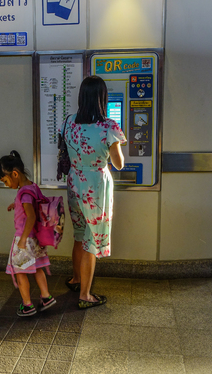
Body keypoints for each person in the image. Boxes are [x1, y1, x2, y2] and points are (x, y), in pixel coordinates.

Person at [61, 76, 126, 309]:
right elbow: (118, 164)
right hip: (95, 186)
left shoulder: (68, 122)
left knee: (79, 234)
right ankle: (85, 295)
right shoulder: (109, 127)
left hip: (74, 181)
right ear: (103, 98)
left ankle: (76, 279)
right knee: (91, 240)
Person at [0, 150, 56, 317]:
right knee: (37, 268)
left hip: (25, 238)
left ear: (15, 174)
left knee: (20, 272)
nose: (6, 185)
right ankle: (46, 296)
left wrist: (21, 241)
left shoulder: (23, 192)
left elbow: (31, 216)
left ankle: (27, 305)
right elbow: (34, 203)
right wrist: (15, 204)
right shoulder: (32, 187)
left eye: (5, 180)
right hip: (36, 239)